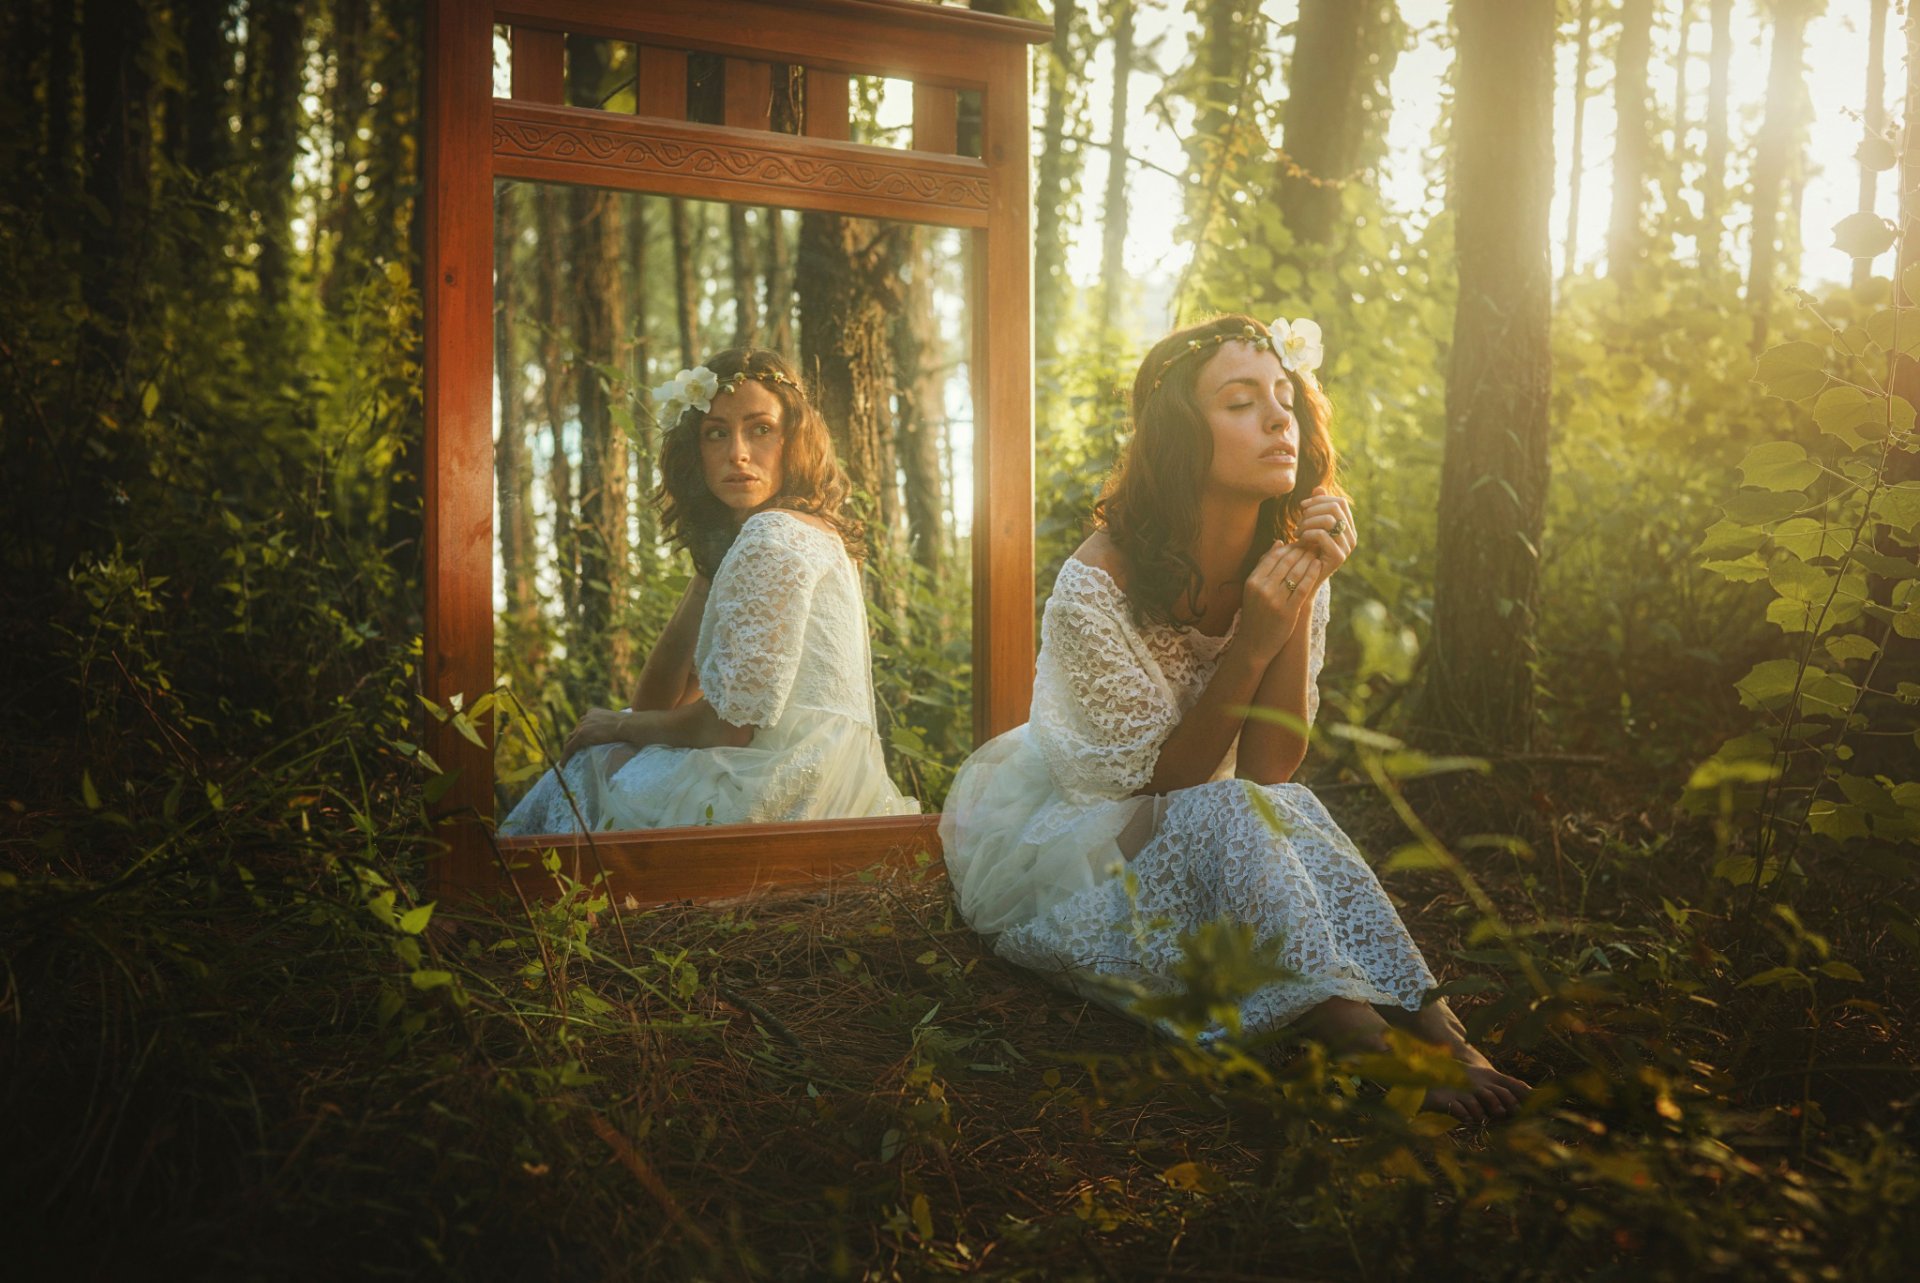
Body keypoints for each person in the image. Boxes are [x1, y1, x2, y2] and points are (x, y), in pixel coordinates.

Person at [940, 315, 1529, 1123]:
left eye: (1286, 398)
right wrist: (1254, 638)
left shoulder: (1288, 553)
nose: (1280, 419)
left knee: (1275, 804)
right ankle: (1353, 1028)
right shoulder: (1096, 581)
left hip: (1228, 826)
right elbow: (1162, 786)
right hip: (1092, 847)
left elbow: (1271, 765)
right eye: (1241, 402)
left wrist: (1301, 595)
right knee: (1230, 807)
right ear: (1183, 433)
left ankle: (1435, 1019)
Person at [499, 348, 918, 835]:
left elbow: (725, 728)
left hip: (776, 789)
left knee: (595, 754)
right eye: (716, 433)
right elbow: (658, 702)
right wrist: (709, 568)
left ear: (794, 439)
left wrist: (616, 725)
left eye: (760, 429)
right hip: (829, 781)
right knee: (617, 741)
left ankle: (500, 892)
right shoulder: (797, 531)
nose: (737, 452)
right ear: (695, 453)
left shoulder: (773, 536)